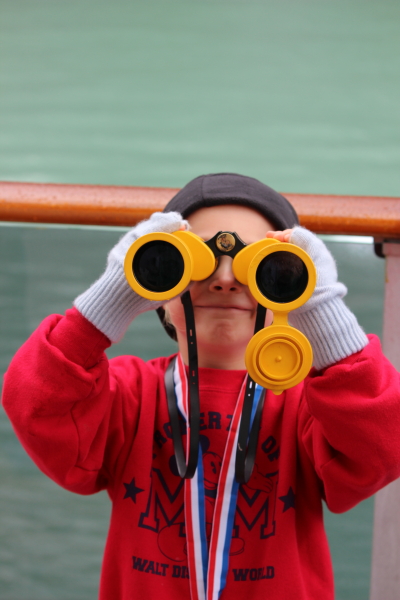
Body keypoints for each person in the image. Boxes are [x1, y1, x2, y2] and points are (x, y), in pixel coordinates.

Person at [2, 173, 400, 600]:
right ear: (158, 287)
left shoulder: (310, 406)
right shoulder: (129, 396)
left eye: (262, 266)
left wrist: (322, 310)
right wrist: (111, 297)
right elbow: (35, 404)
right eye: (197, 262)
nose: (225, 278)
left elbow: (384, 442)